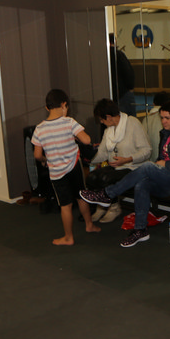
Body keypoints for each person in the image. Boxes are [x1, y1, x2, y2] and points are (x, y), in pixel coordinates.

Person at [80, 100, 170, 248]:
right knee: (142, 183)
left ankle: (107, 194)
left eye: (167, 118)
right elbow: (161, 158)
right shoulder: (167, 133)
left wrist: (165, 165)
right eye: (162, 118)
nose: (163, 121)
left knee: (147, 167)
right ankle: (140, 230)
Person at [31, 89, 100, 245]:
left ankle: (68, 237)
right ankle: (89, 225)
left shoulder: (39, 129)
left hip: (56, 172)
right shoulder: (69, 122)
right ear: (64, 105)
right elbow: (87, 140)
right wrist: (76, 136)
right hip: (74, 166)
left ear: (47, 107)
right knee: (81, 196)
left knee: (65, 205)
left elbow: (37, 155)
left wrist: (44, 160)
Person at [86, 98, 153, 224]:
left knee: (106, 178)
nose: (101, 122)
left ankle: (114, 208)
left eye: (101, 119)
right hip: (117, 166)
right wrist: (90, 157)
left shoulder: (132, 123)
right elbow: (102, 153)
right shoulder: (109, 130)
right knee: (92, 177)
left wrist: (127, 159)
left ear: (108, 117)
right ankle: (102, 206)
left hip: (133, 167)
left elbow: (147, 151)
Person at [109, 34, 137, 115]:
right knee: (129, 119)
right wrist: (130, 87)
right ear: (115, 41)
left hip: (110, 94)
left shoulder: (101, 56)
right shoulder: (118, 55)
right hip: (122, 93)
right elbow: (128, 72)